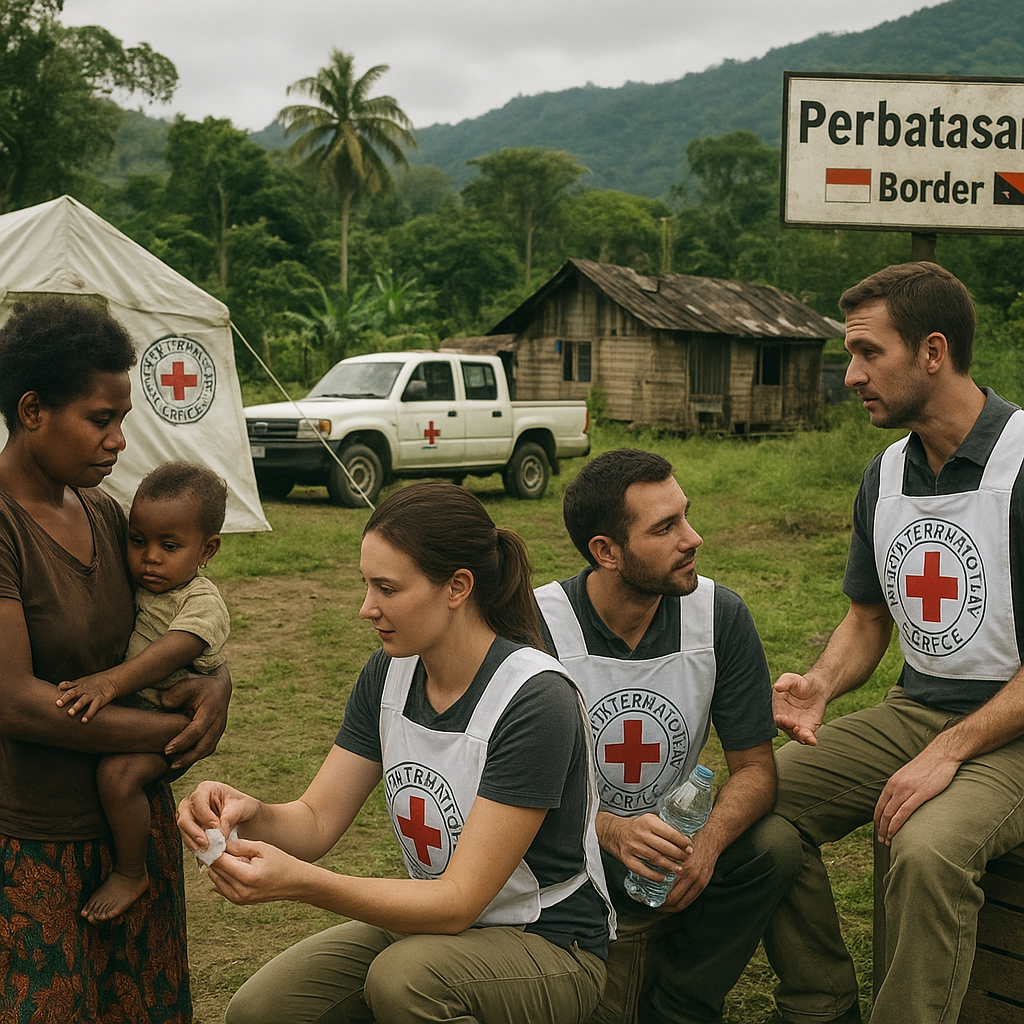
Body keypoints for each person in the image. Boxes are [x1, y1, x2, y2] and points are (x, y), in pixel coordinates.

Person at [177, 480, 614, 1024]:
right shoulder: (388, 673)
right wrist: (251, 813)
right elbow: (315, 821)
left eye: (387, 588)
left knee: (405, 982)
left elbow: (459, 901)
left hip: (549, 941)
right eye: (367, 585)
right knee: (261, 1010)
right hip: (436, 927)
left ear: (457, 587)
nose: (366, 608)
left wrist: (300, 883)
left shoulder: (535, 700)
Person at [764, 262, 1024, 1024]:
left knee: (924, 845)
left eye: (868, 353)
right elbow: (867, 621)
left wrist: (948, 753)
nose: (851, 376)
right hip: (917, 711)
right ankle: (821, 1002)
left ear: (933, 352)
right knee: (755, 804)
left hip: (1012, 734)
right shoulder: (886, 476)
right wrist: (822, 682)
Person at [0, 297, 231, 1022]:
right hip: (32, 842)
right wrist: (175, 730)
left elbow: (170, 627)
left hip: (129, 825)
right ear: (32, 410)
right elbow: (15, 700)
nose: (119, 442)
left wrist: (215, 685)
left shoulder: (105, 515)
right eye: (102, 419)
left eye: (123, 420)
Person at [534, 448, 801, 1024]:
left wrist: (705, 845)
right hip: (572, 848)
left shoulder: (720, 617)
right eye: (665, 528)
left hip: (673, 844)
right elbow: (499, 793)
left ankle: (686, 1003)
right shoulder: (538, 628)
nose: (693, 538)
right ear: (605, 552)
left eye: (685, 515)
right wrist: (607, 828)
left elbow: (756, 771)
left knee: (772, 848)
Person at [56, 459, 230, 923]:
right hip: (138, 713)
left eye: (169, 546)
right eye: (138, 541)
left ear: (206, 549)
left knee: (117, 777)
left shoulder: (201, 601)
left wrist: (109, 682)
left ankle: (132, 871)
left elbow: (172, 653)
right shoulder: (142, 583)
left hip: (168, 722)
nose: (150, 557)